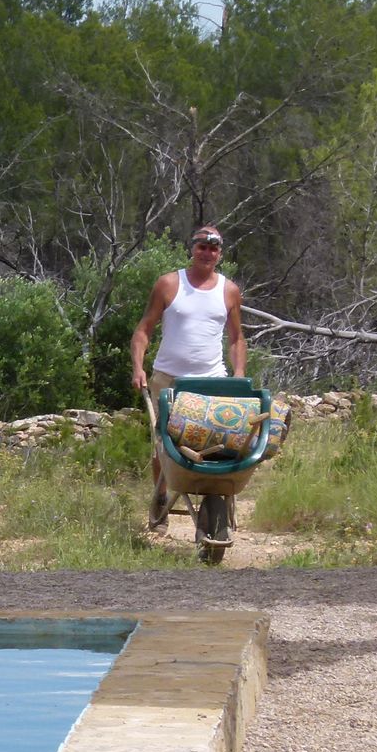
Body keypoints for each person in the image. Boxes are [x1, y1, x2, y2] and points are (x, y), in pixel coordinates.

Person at [128, 224, 248, 530]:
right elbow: (144, 329)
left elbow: (236, 338)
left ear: (220, 253)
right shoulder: (169, 284)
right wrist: (138, 367)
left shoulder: (229, 291)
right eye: (202, 247)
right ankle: (161, 497)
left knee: (219, 442)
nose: (207, 253)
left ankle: (216, 498)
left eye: (213, 248)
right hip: (170, 379)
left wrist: (239, 374)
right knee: (165, 444)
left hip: (212, 381)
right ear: (192, 249)